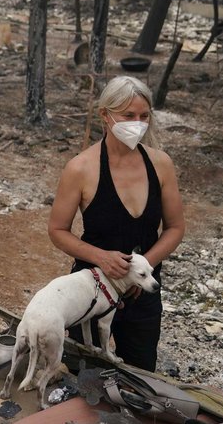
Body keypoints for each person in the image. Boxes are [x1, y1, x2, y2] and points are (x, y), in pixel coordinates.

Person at [47, 75, 185, 372]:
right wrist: (102, 258)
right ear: (105, 115)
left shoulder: (160, 164)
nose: (137, 123)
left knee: (141, 371)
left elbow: (175, 227)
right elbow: (57, 230)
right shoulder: (80, 169)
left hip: (141, 292)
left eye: (144, 116)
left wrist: (141, 267)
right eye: (128, 115)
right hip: (90, 289)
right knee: (86, 371)